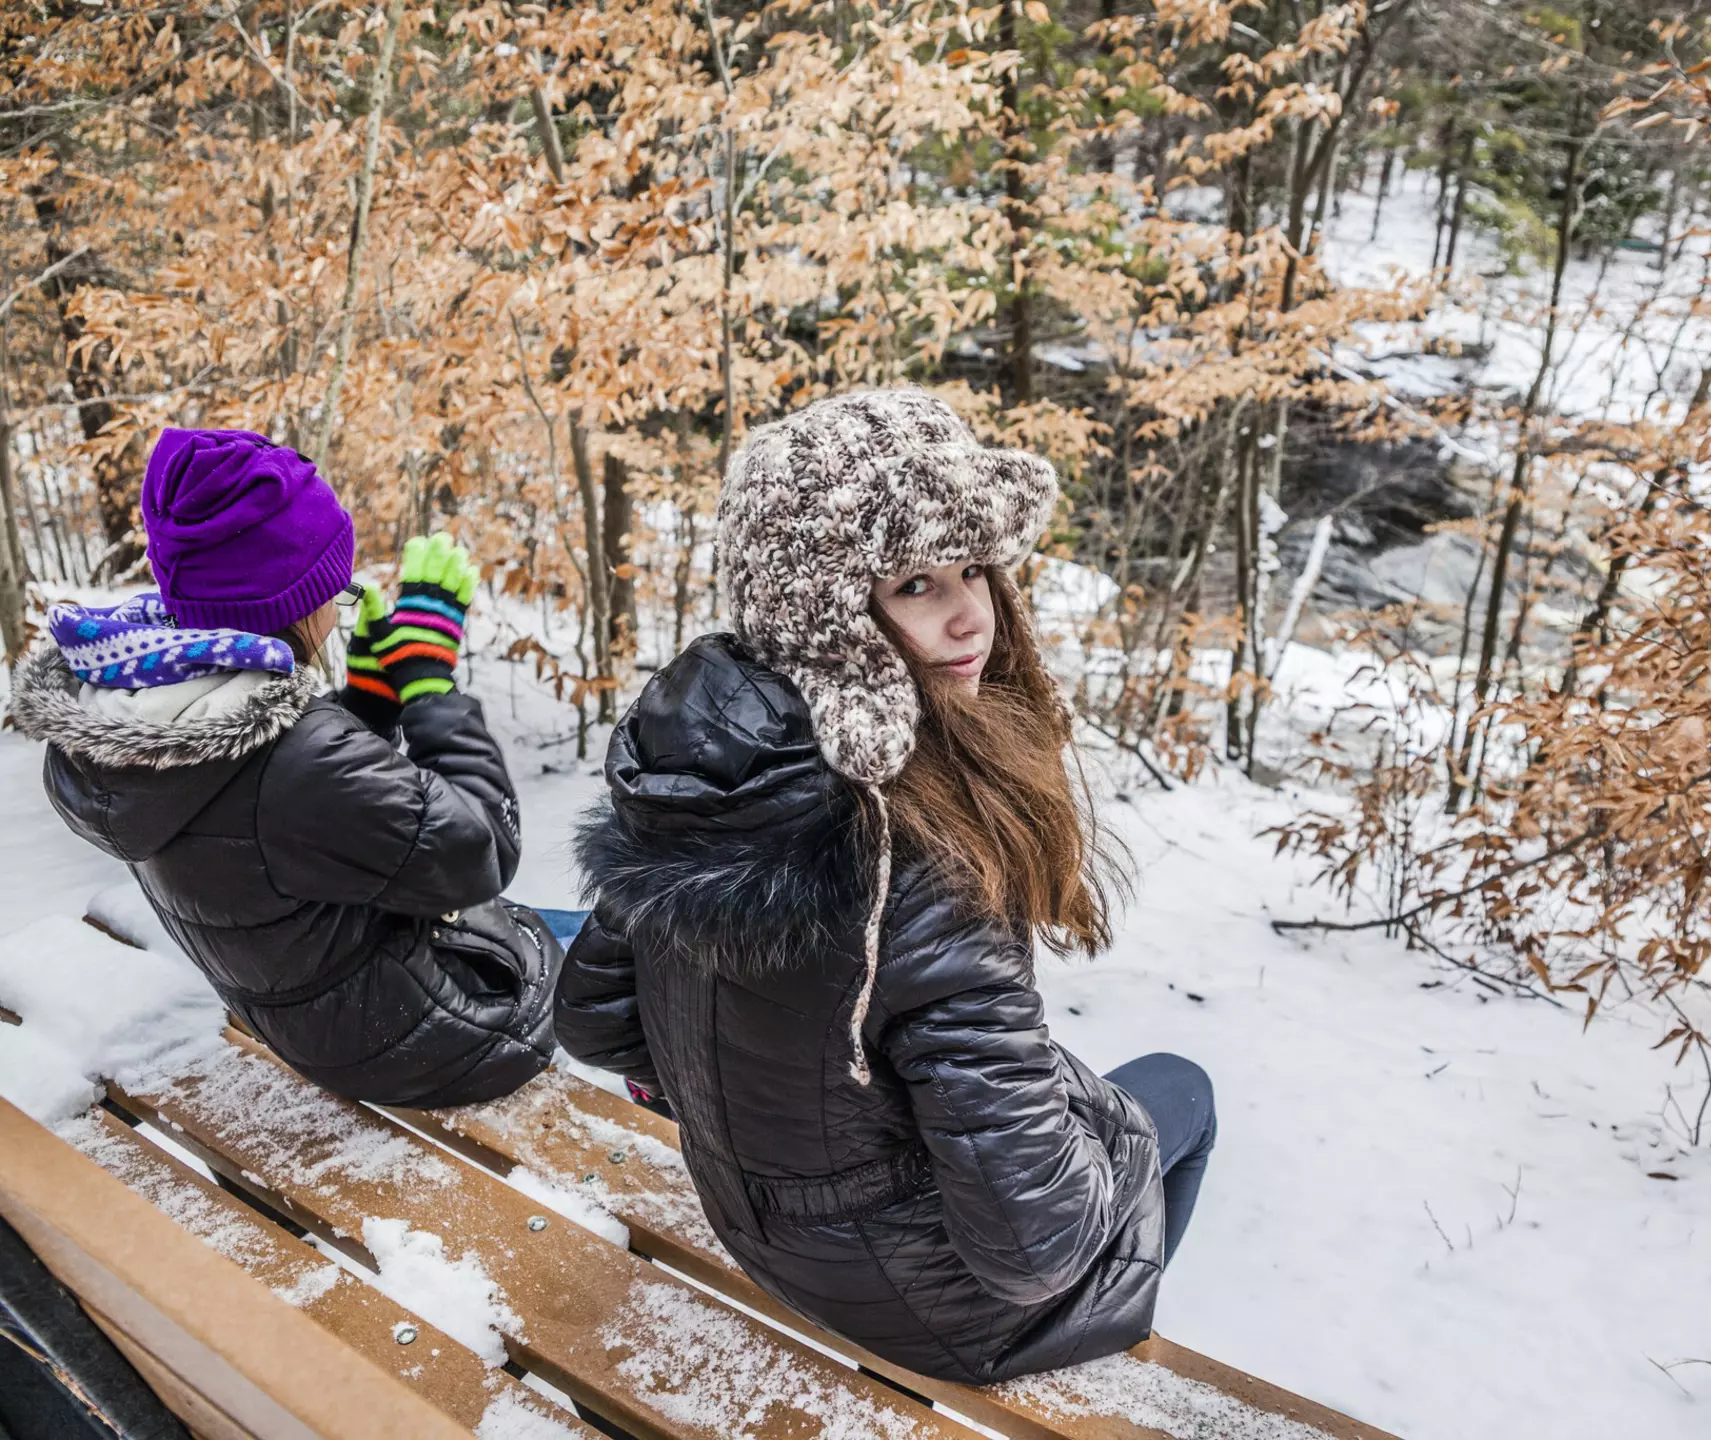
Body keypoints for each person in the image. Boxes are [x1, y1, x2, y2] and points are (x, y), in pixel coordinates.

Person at [555, 388, 1216, 1385]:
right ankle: (1113, 1366)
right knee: (1179, 1097)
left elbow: (597, 1024)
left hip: (762, 1230)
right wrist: (1090, 1139)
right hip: (930, 1316)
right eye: (913, 583)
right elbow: (1033, 1249)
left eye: (972, 569)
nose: (969, 616)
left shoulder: (715, 767)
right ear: (824, 613)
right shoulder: (924, 861)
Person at [16, 428, 559, 1108]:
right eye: (335, 587)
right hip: (425, 1045)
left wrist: (363, 705)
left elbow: (268, 817)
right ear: (295, 602)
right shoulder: (295, 756)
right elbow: (480, 848)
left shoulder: (131, 705)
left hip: (288, 1007)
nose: (339, 605)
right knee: (566, 938)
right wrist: (429, 690)